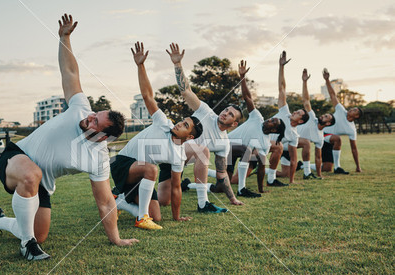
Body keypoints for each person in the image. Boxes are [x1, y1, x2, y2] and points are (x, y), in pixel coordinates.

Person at [0, 14, 138, 261]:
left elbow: (105, 202)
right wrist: (65, 37)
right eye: (95, 114)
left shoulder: (98, 159)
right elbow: (70, 72)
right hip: (15, 158)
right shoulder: (80, 107)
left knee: (36, 233)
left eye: (96, 122)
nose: (90, 118)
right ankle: (27, 248)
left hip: (40, 185)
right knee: (32, 176)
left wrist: (115, 239)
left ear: (103, 137)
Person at [111, 42, 203, 230]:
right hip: (123, 164)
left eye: (185, 125)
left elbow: (176, 188)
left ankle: (120, 202)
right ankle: (141, 218)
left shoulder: (179, 156)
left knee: (158, 217)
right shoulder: (163, 122)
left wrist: (176, 217)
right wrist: (140, 65)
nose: (179, 123)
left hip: (141, 174)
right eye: (182, 120)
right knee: (151, 169)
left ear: (190, 137)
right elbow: (148, 96)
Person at [166, 43, 244, 212]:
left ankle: (192, 193)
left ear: (234, 124)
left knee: (164, 200)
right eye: (226, 110)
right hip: (169, 147)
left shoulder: (224, 142)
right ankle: (203, 203)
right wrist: (177, 64)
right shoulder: (206, 111)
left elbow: (222, 174)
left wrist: (232, 198)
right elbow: (186, 91)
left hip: (180, 159)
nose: (225, 114)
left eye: (230, 115)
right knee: (203, 150)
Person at [223, 59, 286, 197]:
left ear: (274, 130)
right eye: (271, 118)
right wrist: (242, 77)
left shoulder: (265, 143)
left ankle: (188, 184)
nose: (269, 119)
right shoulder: (257, 117)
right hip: (223, 144)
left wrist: (260, 188)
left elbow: (262, 167)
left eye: (273, 122)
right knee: (247, 149)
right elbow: (248, 98)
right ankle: (242, 190)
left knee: (223, 185)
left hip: (233, 154)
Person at [267, 51, 309, 185]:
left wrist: (291, 181)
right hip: (257, 140)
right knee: (235, 179)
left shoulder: (293, 135)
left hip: (271, 148)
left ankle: (265, 171)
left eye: (298, 113)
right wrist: (281, 67)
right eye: (296, 110)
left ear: (300, 121)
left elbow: (294, 159)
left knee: (284, 173)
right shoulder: (284, 111)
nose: (295, 111)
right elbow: (282, 88)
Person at [317, 68, 363, 174]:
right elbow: (333, 95)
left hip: (329, 141)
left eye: (355, 110)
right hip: (321, 133)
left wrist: (358, 166)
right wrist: (327, 80)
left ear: (356, 117)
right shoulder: (341, 110)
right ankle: (338, 168)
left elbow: (354, 149)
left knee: (327, 168)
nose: (352, 109)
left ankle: (300, 165)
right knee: (338, 139)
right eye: (353, 108)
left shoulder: (351, 129)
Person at [296, 68, 335, 179]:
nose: (322, 115)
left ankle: (261, 169)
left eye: (326, 117)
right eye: (324, 115)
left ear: (328, 124)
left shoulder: (320, 138)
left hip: (291, 147)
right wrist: (304, 82)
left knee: (285, 174)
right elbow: (306, 101)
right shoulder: (312, 118)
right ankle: (307, 172)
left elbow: (318, 157)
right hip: (286, 140)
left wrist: (319, 174)